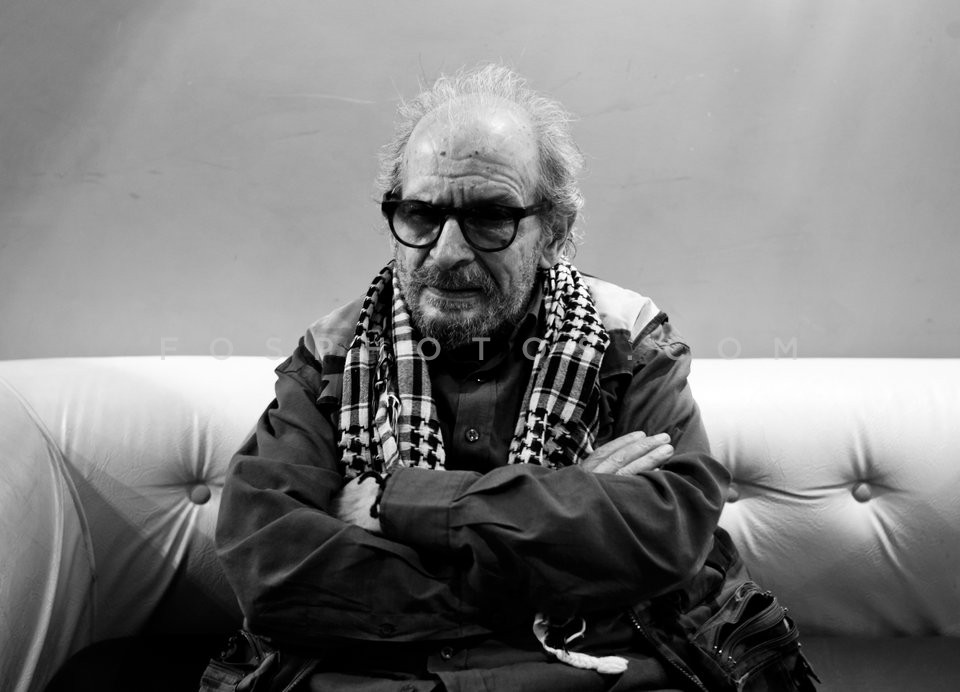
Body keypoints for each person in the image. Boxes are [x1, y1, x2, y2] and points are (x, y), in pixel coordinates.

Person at [213, 64, 817, 692]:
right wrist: (568, 510)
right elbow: (270, 567)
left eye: (489, 216)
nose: (447, 251)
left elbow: (669, 532)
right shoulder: (333, 355)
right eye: (421, 215)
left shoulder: (628, 341)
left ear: (554, 233)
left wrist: (403, 504)